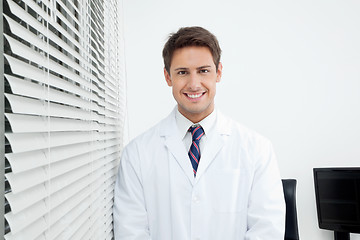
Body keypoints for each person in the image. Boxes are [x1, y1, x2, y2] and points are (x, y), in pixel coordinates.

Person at [113, 26, 285, 240]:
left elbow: (267, 231)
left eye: (203, 70)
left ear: (218, 72)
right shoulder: (137, 154)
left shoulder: (257, 149)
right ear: (168, 77)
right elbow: (131, 232)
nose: (194, 84)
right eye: (182, 72)